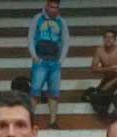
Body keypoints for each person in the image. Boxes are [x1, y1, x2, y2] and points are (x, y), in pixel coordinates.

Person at [27, 1, 70, 129]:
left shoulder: (61, 21)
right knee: (35, 91)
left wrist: (61, 60)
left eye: (56, 7)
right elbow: (31, 37)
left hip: (54, 61)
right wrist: (34, 56)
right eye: (51, 7)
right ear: (46, 7)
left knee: (54, 93)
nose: (54, 9)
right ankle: (30, 120)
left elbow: (66, 41)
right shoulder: (37, 19)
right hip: (40, 60)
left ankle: (53, 121)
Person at [89, 30, 117, 119]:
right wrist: (109, 68)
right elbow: (93, 68)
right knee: (96, 98)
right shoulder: (99, 51)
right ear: (103, 39)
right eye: (106, 37)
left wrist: (110, 83)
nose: (108, 40)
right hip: (108, 78)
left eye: (111, 37)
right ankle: (106, 117)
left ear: (115, 40)